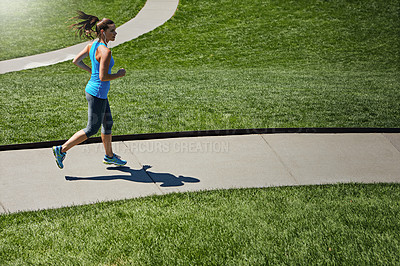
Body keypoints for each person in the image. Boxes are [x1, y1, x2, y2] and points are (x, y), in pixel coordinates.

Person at [52, 11, 127, 169]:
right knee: (92, 128)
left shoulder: (92, 45)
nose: (115, 33)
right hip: (98, 93)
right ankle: (61, 149)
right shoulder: (105, 51)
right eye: (111, 31)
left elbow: (76, 61)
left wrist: (91, 71)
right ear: (103, 32)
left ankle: (109, 156)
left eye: (115, 30)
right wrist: (119, 75)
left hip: (94, 91)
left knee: (108, 123)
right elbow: (103, 77)